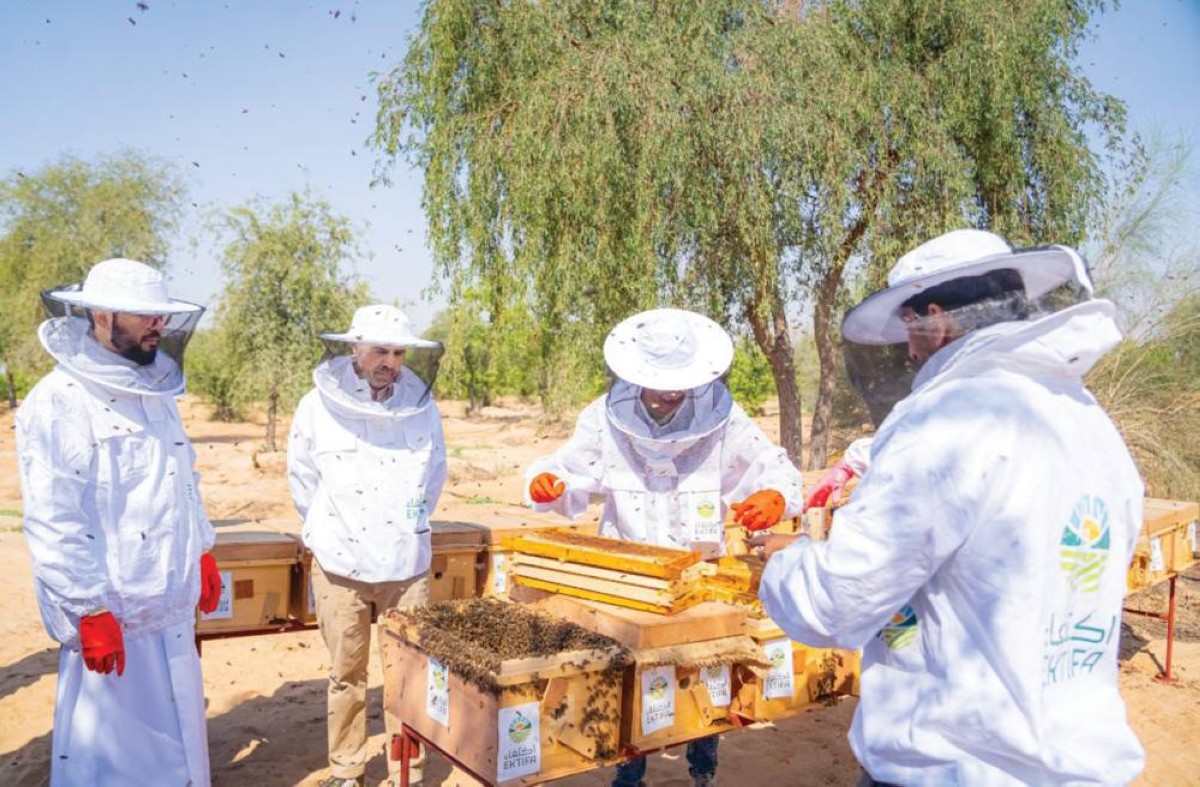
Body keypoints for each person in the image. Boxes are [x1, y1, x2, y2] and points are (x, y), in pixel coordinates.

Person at [756, 229, 1146, 785]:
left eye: (909, 329)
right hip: (1077, 764)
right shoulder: (1085, 417)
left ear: (935, 319)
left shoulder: (947, 420)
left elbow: (839, 601)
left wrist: (787, 560)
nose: (909, 351)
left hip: (958, 766)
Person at [525, 307, 804, 787]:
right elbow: (566, 467)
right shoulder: (603, 417)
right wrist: (547, 481)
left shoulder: (723, 416)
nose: (670, 392)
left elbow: (768, 461)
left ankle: (703, 768)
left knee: (705, 674)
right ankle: (628, 774)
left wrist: (775, 494)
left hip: (700, 575)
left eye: (680, 383)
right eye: (660, 383)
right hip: (627, 577)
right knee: (628, 684)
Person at [15, 258, 220, 786]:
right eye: (145, 316)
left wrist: (202, 547)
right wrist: (88, 608)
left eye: (161, 316)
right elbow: (53, 517)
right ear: (102, 315)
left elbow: (183, 477)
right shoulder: (59, 402)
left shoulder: (157, 394)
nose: (159, 326)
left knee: (181, 751)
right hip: (115, 617)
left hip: (170, 607)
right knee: (114, 763)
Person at [287, 304, 447, 787]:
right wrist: (333, 531)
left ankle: (407, 772)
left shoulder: (422, 407)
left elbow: (433, 478)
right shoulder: (315, 407)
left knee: (409, 674)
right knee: (346, 674)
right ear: (355, 348)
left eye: (398, 353)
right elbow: (303, 481)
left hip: (407, 564)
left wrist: (404, 526)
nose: (389, 362)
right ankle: (347, 770)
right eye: (380, 351)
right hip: (340, 565)